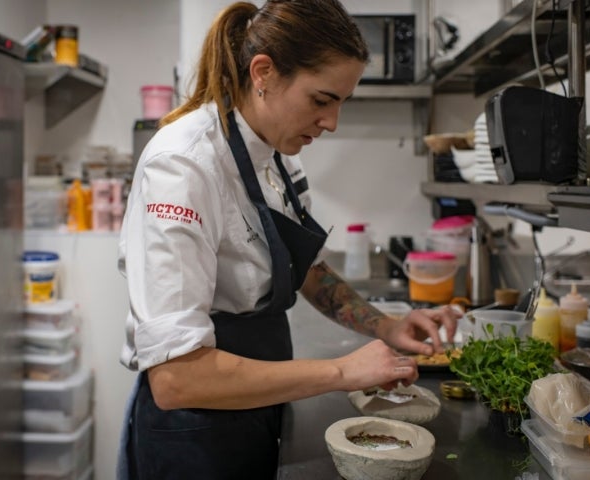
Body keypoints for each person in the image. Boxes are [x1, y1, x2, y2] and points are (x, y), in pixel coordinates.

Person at [117, 1, 460, 478]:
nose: (332, 122)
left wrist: (386, 327)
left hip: (260, 399)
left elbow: (305, 268)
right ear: (263, 73)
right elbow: (178, 378)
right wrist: (342, 372)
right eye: (321, 100)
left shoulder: (278, 154)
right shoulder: (183, 167)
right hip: (195, 430)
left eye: (341, 102)